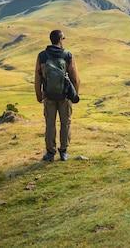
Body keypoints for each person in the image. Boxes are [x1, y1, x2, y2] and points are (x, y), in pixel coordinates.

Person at [34, 29, 80, 162]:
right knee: (65, 124)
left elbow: (38, 78)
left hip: (49, 96)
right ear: (60, 40)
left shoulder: (42, 56)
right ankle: (64, 152)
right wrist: (73, 95)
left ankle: (50, 153)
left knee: (50, 124)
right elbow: (75, 79)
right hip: (64, 97)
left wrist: (40, 96)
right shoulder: (68, 55)